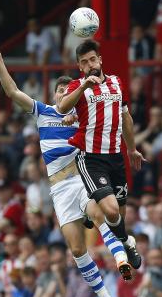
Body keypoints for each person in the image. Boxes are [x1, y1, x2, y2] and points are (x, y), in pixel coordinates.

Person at [0, 43, 131, 297]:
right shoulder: (44, 113)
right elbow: (12, 92)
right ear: (55, 95)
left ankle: (121, 259)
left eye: (69, 90)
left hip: (82, 177)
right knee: (76, 249)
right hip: (59, 188)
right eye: (61, 90)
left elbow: (113, 114)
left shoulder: (84, 115)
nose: (65, 93)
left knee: (100, 215)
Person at [54, 39, 145, 268]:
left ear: (100, 59)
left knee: (119, 216)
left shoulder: (116, 83)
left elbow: (125, 117)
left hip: (116, 156)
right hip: (91, 158)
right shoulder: (77, 86)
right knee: (111, 210)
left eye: (93, 59)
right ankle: (126, 242)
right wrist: (85, 86)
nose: (89, 64)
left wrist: (132, 149)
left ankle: (123, 237)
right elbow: (63, 107)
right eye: (84, 62)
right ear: (80, 66)